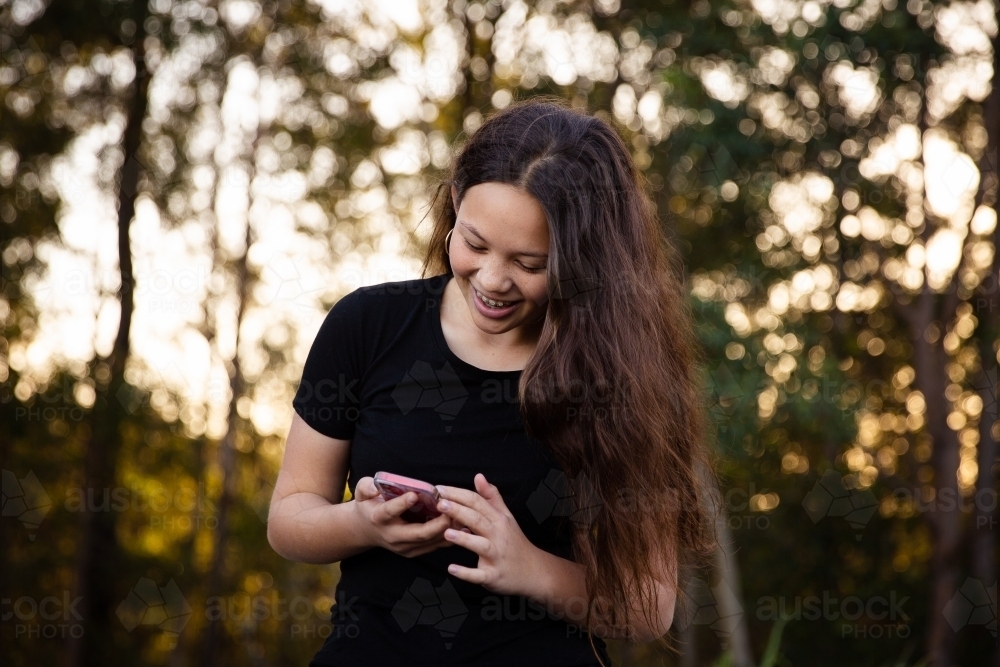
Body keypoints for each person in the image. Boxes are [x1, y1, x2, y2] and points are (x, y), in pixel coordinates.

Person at [267, 98, 715, 667]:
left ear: (585, 258)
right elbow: (289, 519)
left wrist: (528, 568)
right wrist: (361, 522)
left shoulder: (624, 374)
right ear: (455, 201)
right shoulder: (366, 326)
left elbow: (648, 607)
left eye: (530, 263)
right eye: (475, 244)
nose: (493, 281)